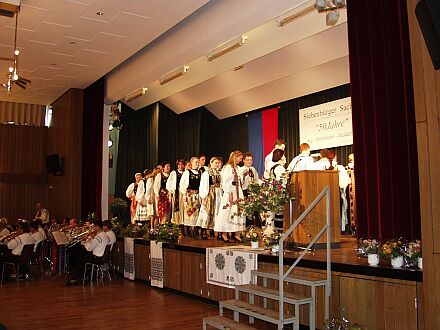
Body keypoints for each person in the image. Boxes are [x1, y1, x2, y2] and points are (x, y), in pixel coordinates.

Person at [214, 151, 245, 243]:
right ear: (235, 158)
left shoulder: (238, 168)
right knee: (227, 212)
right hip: (230, 192)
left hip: (238, 190)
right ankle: (224, 234)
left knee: (238, 211)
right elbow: (225, 182)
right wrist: (229, 193)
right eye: (239, 158)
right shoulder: (228, 168)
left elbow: (239, 180)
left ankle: (237, 234)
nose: (240, 160)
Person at [67, 219, 109, 285]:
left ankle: (79, 277)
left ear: (97, 227)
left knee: (79, 258)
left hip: (96, 258)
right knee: (79, 254)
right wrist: (88, 239)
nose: (93, 228)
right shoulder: (104, 235)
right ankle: (78, 276)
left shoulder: (99, 236)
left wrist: (86, 239)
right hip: (99, 256)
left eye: (94, 227)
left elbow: (89, 248)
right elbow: (93, 245)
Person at [196, 157, 222, 239]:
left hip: (218, 194)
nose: (217, 164)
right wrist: (204, 196)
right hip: (210, 194)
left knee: (217, 212)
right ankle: (204, 231)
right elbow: (203, 185)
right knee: (207, 212)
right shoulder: (207, 173)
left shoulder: (219, 173)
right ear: (211, 163)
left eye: (218, 163)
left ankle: (216, 231)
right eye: (215, 163)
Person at [179, 157, 201, 238]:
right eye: (196, 162)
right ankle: (188, 229)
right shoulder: (187, 172)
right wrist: (185, 194)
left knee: (196, 212)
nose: (197, 163)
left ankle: (194, 229)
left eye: (198, 162)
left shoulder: (200, 173)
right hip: (189, 195)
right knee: (189, 212)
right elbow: (182, 184)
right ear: (191, 163)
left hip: (197, 195)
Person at [240, 152, 261, 227]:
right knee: (247, 211)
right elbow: (239, 183)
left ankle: (257, 229)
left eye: (251, 160)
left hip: (253, 192)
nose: (249, 161)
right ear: (243, 160)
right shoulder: (241, 170)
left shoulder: (253, 169)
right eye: (247, 160)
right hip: (244, 192)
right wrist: (243, 175)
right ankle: (247, 228)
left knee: (255, 211)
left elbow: (256, 180)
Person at [166, 159, 185, 229]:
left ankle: (182, 225)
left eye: (182, 164)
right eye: (179, 164)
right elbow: (169, 183)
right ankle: (176, 224)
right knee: (176, 208)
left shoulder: (186, 172)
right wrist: (170, 193)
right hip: (176, 192)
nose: (180, 166)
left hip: (183, 193)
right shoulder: (174, 173)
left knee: (183, 208)